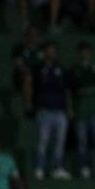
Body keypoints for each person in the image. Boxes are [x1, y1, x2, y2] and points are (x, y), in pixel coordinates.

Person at [69, 42, 95, 179]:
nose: (84, 54)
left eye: (87, 51)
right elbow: (69, 92)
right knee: (82, 141)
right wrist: (70, 108)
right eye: (82, 51)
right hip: (81, 108)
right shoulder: (74, 70)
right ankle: (84, 167)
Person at [32, 42, 70, 181]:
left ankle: (57, 168)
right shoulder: (38, 68)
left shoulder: (61, 68)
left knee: (59, 141)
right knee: (43, 140)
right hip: (44, 110)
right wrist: (30, 104)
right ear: (44, 52)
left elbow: (66, 90)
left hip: (60, 110)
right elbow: (30, 86)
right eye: (49, 50)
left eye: (54, 50)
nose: (51, 53)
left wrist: (68, 109)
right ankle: (39, 168)